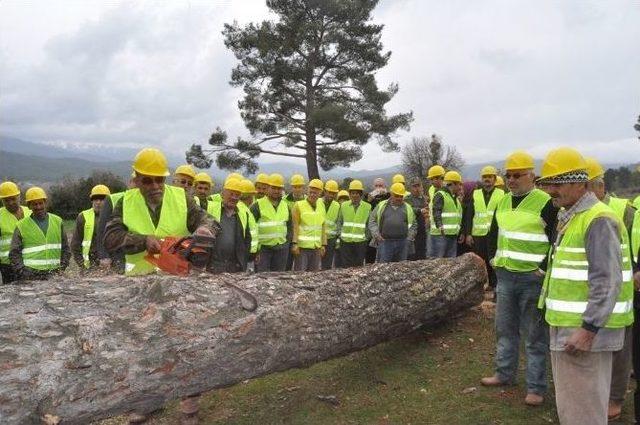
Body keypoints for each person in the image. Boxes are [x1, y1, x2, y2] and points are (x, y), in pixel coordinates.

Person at [536, 147, 633, 425]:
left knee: (583, 413)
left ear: (580, 182)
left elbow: (608, 280)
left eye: (558, 183)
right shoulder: (573, 216)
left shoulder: (597, 219)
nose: (551, 190)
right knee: (574, 408)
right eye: (548, 184)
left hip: (583, 336)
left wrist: (588, 330)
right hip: (569, 330)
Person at [481, 150, 558, 407]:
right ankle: (504, 374)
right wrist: (492, 259)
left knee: (535, 335)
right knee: (504, 329)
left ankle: (536, 387)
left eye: (517, 175)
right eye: (509, 176)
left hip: (531, 279)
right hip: (505, 276)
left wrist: (543, 268)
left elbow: (557, 240)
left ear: (531, 176)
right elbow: (493, 233)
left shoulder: (546, 202)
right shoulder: (503, 201)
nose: (512, 180)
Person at [103, 148, 217, 277]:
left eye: (159, 180)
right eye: (147, 181)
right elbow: (110, 237)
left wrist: (205, 229)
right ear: (137, 180)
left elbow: (207, 220)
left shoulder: (182, 198)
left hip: (176, 279)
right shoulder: (125, 202)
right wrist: (142, 241)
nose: (155, 186)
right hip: (137, 280)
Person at [585, 157, 636, 420]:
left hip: (621, 290)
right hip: (592, 290)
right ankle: (596, 394)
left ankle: (615, 397)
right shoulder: (578, 211)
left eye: (590, 187)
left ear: (600, 187)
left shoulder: (623, 209)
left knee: (619, 348)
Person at [9, 187, 70, 281]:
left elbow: (65, 248)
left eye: (40, 203)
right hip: (31, 275)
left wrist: (62, 268)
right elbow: (14, 253)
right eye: (34, 204)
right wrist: (23, 272)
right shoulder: (21, 225)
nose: (38, 207)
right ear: (29, 206)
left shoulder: (58, 221)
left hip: (54, 273)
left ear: (45, 203)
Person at [463, 166, 505, 291]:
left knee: (494, 260)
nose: (487, 179)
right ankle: (481, 285)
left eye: (489, 177)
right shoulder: (475, 194)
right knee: (480, 261)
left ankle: (494, 285)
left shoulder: (502, 194)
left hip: (495, 234)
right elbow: (469, 215)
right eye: (485, 177)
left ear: (494, 179)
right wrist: (468, 234)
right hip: (478, 234)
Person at [206, 179, 252, 273]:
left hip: (234, 266)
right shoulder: (209, 208)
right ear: (223, 194)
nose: (234, 198)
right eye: (231, 194)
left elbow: (247, 239)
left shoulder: (243, 214)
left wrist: (243, 260)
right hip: (213, 264)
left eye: (237, 195)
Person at [251, 173, 291, 272]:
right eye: (273, 188)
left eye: (279, 188)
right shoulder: (257, 206)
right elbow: (251, 229)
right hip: (263, 249)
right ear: (267, 188)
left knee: (278, 278)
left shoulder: (285, 206)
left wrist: (286, 243)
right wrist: (255, 250)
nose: (276, 191)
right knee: (261, 278)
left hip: (281, 249)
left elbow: (290, 226)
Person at [369, 182, 416, 263]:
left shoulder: (408, 208)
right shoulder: (381, 205)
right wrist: (376, 235)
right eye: (396, 196)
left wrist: (409, 238)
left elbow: (414, 224)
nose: (399, 198)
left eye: (401, 196)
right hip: (385, 243)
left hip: (403, 243)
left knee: (401, 268)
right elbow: (372, 221)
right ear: (391, 194)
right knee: (383, 268)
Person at [71, 184, 111, 271]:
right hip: (89, 267)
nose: (98, 202)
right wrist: (82, 266)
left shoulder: (115, 216)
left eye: (102, 199)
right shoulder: (83, 216)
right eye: (95, 199)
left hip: (111, 266)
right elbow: (75, 245)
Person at [291, 179, 326, 271]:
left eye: (315, 193)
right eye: (311, 192)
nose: (312, 195)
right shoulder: (298, 205)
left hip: (316, 247)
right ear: (307, 190)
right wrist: (295, 243)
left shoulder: (321, 206)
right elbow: (295, 226)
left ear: (320, 193)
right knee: (300, 274)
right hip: (302, 248)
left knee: (313, 275)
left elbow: (323, 226)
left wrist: (323, 245)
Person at [0, 181, 30, 283]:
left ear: (19, 196)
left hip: (30, 262)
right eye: (6, 200)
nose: (10, 202)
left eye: (13, 199)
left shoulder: (30, 212)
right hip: (8, 266)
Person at [337, 180, 371, 268]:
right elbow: (339, 221)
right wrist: (340, 234)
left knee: (358, 266)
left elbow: (369, 224)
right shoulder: (344, 205)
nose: (355, 195)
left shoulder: (367, 206)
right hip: (345, 242)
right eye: (352, 193)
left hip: (361, 242)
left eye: (357, 193)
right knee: (345, 266)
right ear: (350, 194)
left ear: (361, 194)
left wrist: (366, 237)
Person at [429, 171, 463, 258]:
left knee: (450, 264)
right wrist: (439, 225)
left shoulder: (454, 198)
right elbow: (436, 211)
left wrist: (460, 232)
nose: (460, 187)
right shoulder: (440, 195)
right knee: (438, 263)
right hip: (440, 235)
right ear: (452, 184)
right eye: (459, 184)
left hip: (452, 235)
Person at [365, 177, 390, 263]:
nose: (378, 188)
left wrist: (386, 195)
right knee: (370, 254)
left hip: (385, 230)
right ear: (373, 187)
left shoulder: (389, 196)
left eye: (381, 185)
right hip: (371, 231)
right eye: (376, 186)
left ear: (385, 186)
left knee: (384, 255)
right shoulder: (368, 197)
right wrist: (369, 201)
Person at [405, 177, 428, 260]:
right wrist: (420, 210)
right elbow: (408, 210)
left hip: (423, 230)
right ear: (410, 188)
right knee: (412, 254)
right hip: (412, 231)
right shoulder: (407, 199)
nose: (417, 188)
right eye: (414, 186)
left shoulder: (425, 199)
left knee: (422, 253)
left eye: (418, 186)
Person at [320, 180, 340, 270]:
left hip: (331, 239)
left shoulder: (337, 206)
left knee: (327, 265)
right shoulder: (317, 202)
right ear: (324, 191)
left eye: (334, 193)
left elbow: (338, 223)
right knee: (314, 265)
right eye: (329, 192)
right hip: (317, 238)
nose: (331, 195)